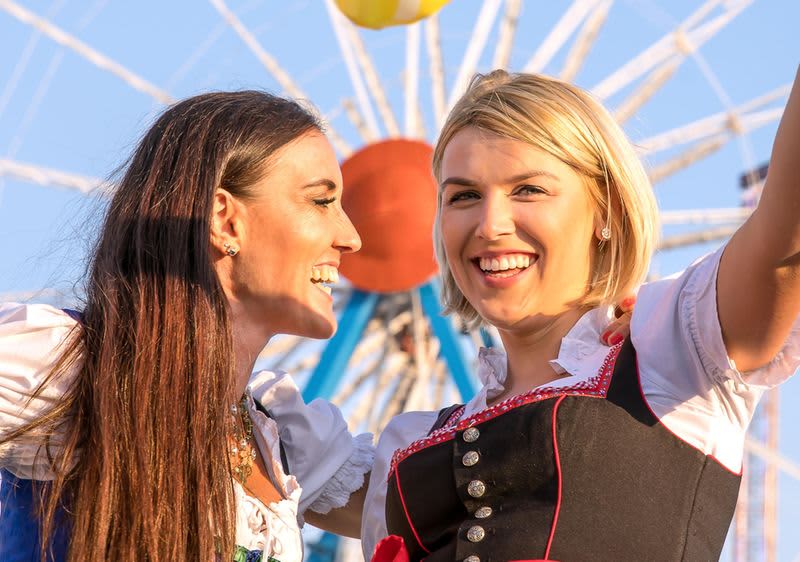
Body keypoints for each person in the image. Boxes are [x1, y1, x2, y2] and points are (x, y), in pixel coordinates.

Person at [360, 68, 800, 561]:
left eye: (528, 189)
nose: (490, 225)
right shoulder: (408, 441)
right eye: (463, 196)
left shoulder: (673, 351)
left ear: (605, 210)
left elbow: (786, 234)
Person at [0, 91, 373, 562]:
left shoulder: (282, 439)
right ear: (225, 221)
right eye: (321, 201)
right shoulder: (72, 371)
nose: (351, 237)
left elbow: (439, 504)